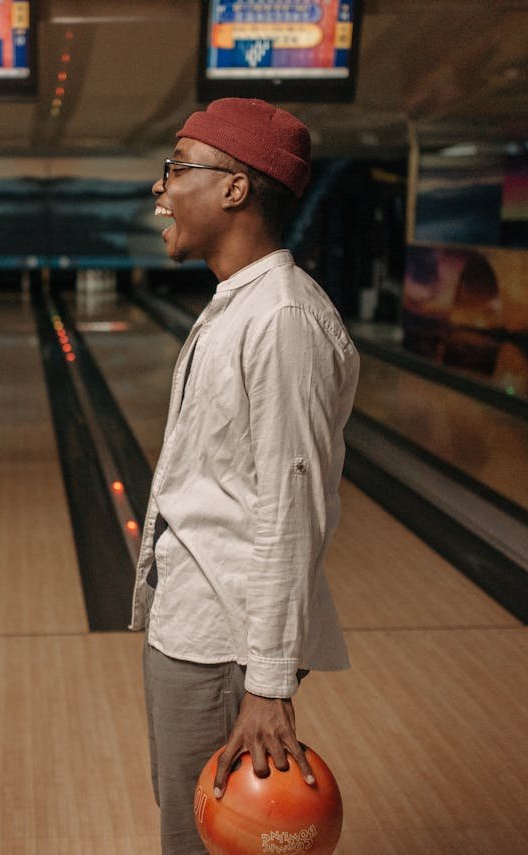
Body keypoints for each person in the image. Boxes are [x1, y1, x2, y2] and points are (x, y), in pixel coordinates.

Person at [130, 98, 359, 853]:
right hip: (198, 627)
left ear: (235, 188)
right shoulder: (243, 305)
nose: (161, 189)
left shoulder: (283, 321)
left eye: (178, 167)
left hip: (224, 645)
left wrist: (267, 684)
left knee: (197, 843)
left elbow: (290, 511)